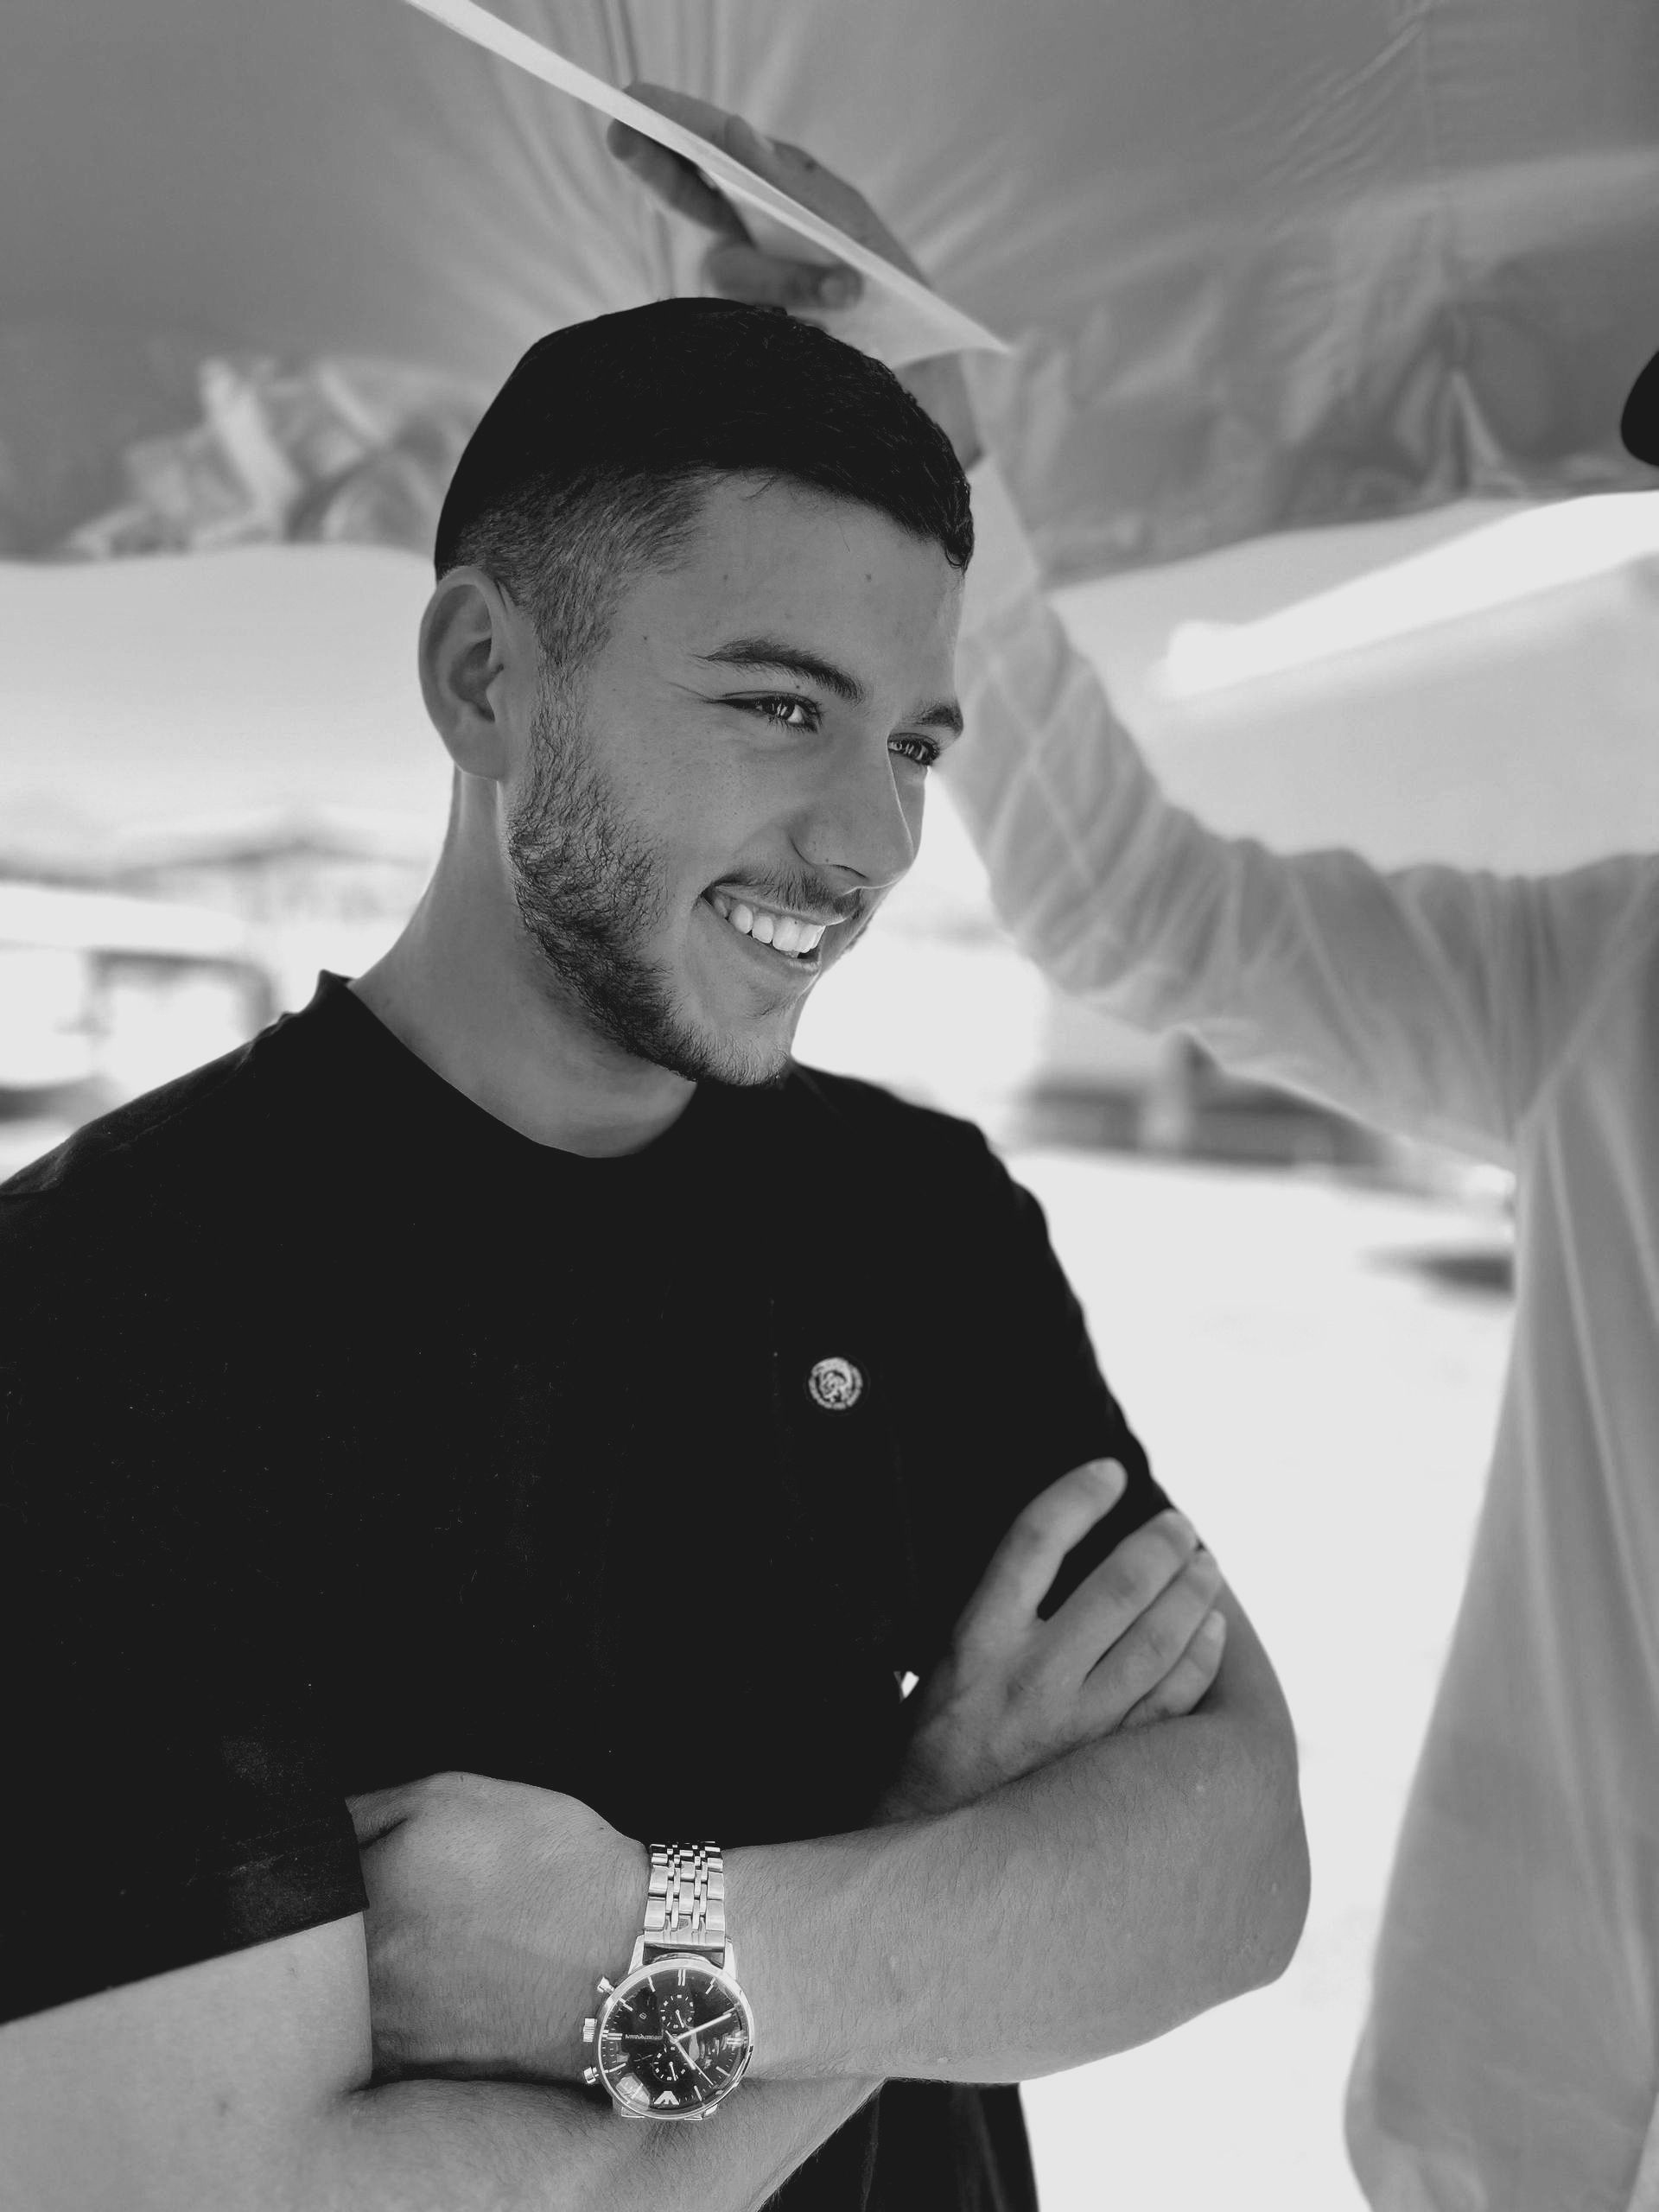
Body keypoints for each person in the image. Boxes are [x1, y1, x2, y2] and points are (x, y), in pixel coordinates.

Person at [0, 299, 1306, 2212]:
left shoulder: (917, 1217)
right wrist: (936, 1850)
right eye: (782, 705)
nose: (871, 836)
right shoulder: (108, 1299)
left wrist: (660, 1939)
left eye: (915, 740)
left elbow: (1234, 1863)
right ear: (482, 676)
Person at [609, 95, 1659, 2209]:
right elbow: (1138, 904)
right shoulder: (1621, 970)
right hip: (1527, 2145)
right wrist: (909, 435)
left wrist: (657, 1954)